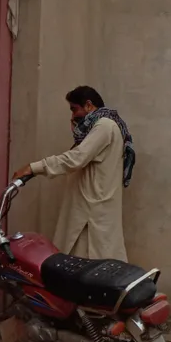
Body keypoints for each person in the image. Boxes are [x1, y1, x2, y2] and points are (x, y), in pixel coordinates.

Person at [12, 85, 136, 261]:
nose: (72, 116)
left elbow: (75, 159)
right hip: (87, 212)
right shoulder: (99, 127)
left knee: (92, 265)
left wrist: (33, 168)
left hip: (91, 216)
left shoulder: (105, 126)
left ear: (88, 105)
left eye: (74, 109)